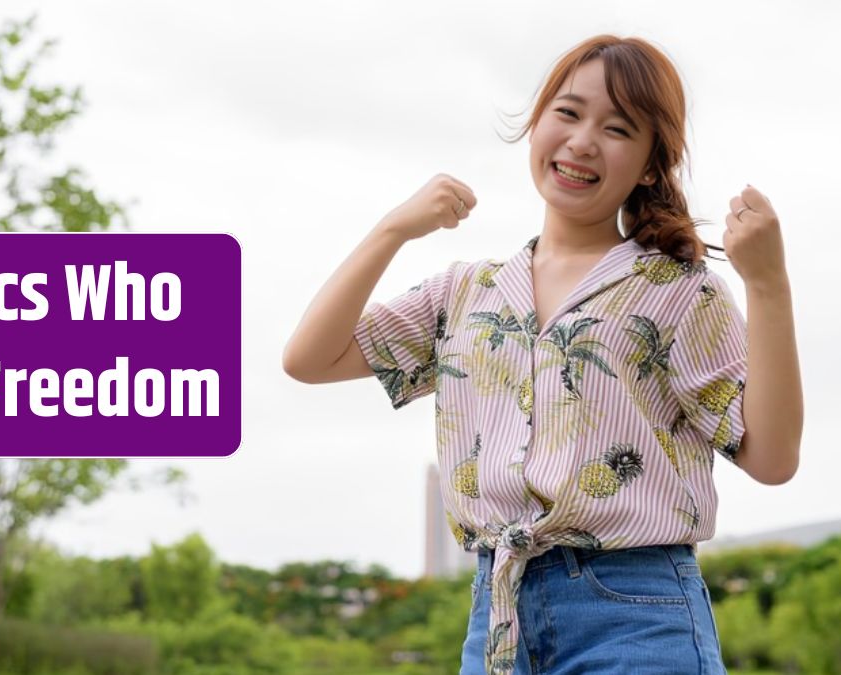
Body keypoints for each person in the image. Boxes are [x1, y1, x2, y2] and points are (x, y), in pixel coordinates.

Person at [282, 34, 803, 674]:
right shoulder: (467, 290)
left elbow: (772, 458)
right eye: (568, 112)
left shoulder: (678, 290)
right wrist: (395, 227)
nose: (583, 140)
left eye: (617, 128)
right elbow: (309, 358)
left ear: (648, 165)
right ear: (536, 125)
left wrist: (768, 286)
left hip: (638, 612)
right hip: (498, 615)